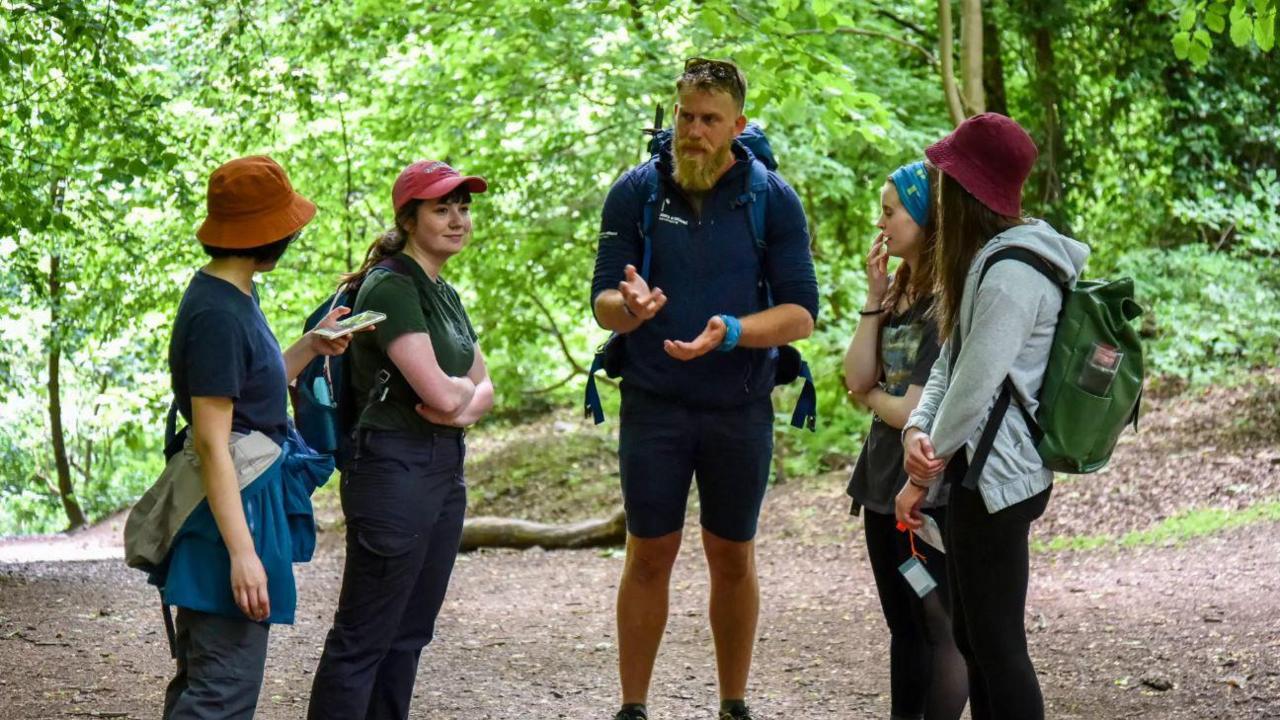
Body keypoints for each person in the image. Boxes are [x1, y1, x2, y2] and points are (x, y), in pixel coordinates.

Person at [591, 58, 818, 720]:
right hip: (653, 401)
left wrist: (732, 331)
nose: (693, 131)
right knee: (649, 551)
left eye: (709, 120)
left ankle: (733, 702)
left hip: (739, 404)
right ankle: (633, 706)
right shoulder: (636, 192)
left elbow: (800, 313)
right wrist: (627, 307)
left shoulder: (770, 197)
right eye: (686, 116)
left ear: (737, 125)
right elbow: (602, 297)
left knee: (732, 553)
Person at [895, 114, 1090, 720]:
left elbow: (976, 385)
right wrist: (915, 428)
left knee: (998, 645)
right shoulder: (990, 260)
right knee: (975, 641)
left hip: (999, 481)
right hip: (976, 475)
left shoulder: (1012, 273)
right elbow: (952, 362)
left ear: (968, 189)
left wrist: (921, 475)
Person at [163, 154, 358, 719]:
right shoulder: (218, 315)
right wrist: (243, 554)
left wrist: (311, 346)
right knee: (222, 689)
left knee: (208, 680)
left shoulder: (238, 294)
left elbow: (255, 386)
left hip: (244, 501)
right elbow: (211, 442)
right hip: (228, 514)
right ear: (268, 234)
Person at [307, 160, 494, 720]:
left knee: (410, 632)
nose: (458, 219)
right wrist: (460, 402)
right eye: (442, 208)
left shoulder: (445, 291)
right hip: (392, 469)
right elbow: (441, 393)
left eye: (463, 207)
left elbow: (484, 389)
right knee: (364, 635)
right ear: (409, 219)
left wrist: (460, 407)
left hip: (442, 467)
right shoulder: (391, 282)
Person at [843, 161, 967, 720]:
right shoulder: (899, 291)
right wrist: (873, 296)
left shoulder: (947, 301)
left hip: (926, 487)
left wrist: (870, 399)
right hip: (878, 481)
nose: (882, 221)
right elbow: (855, 374)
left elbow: (911, 408)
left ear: (922, 216)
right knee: (901, 622)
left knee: (935, 620)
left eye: (891, 211)